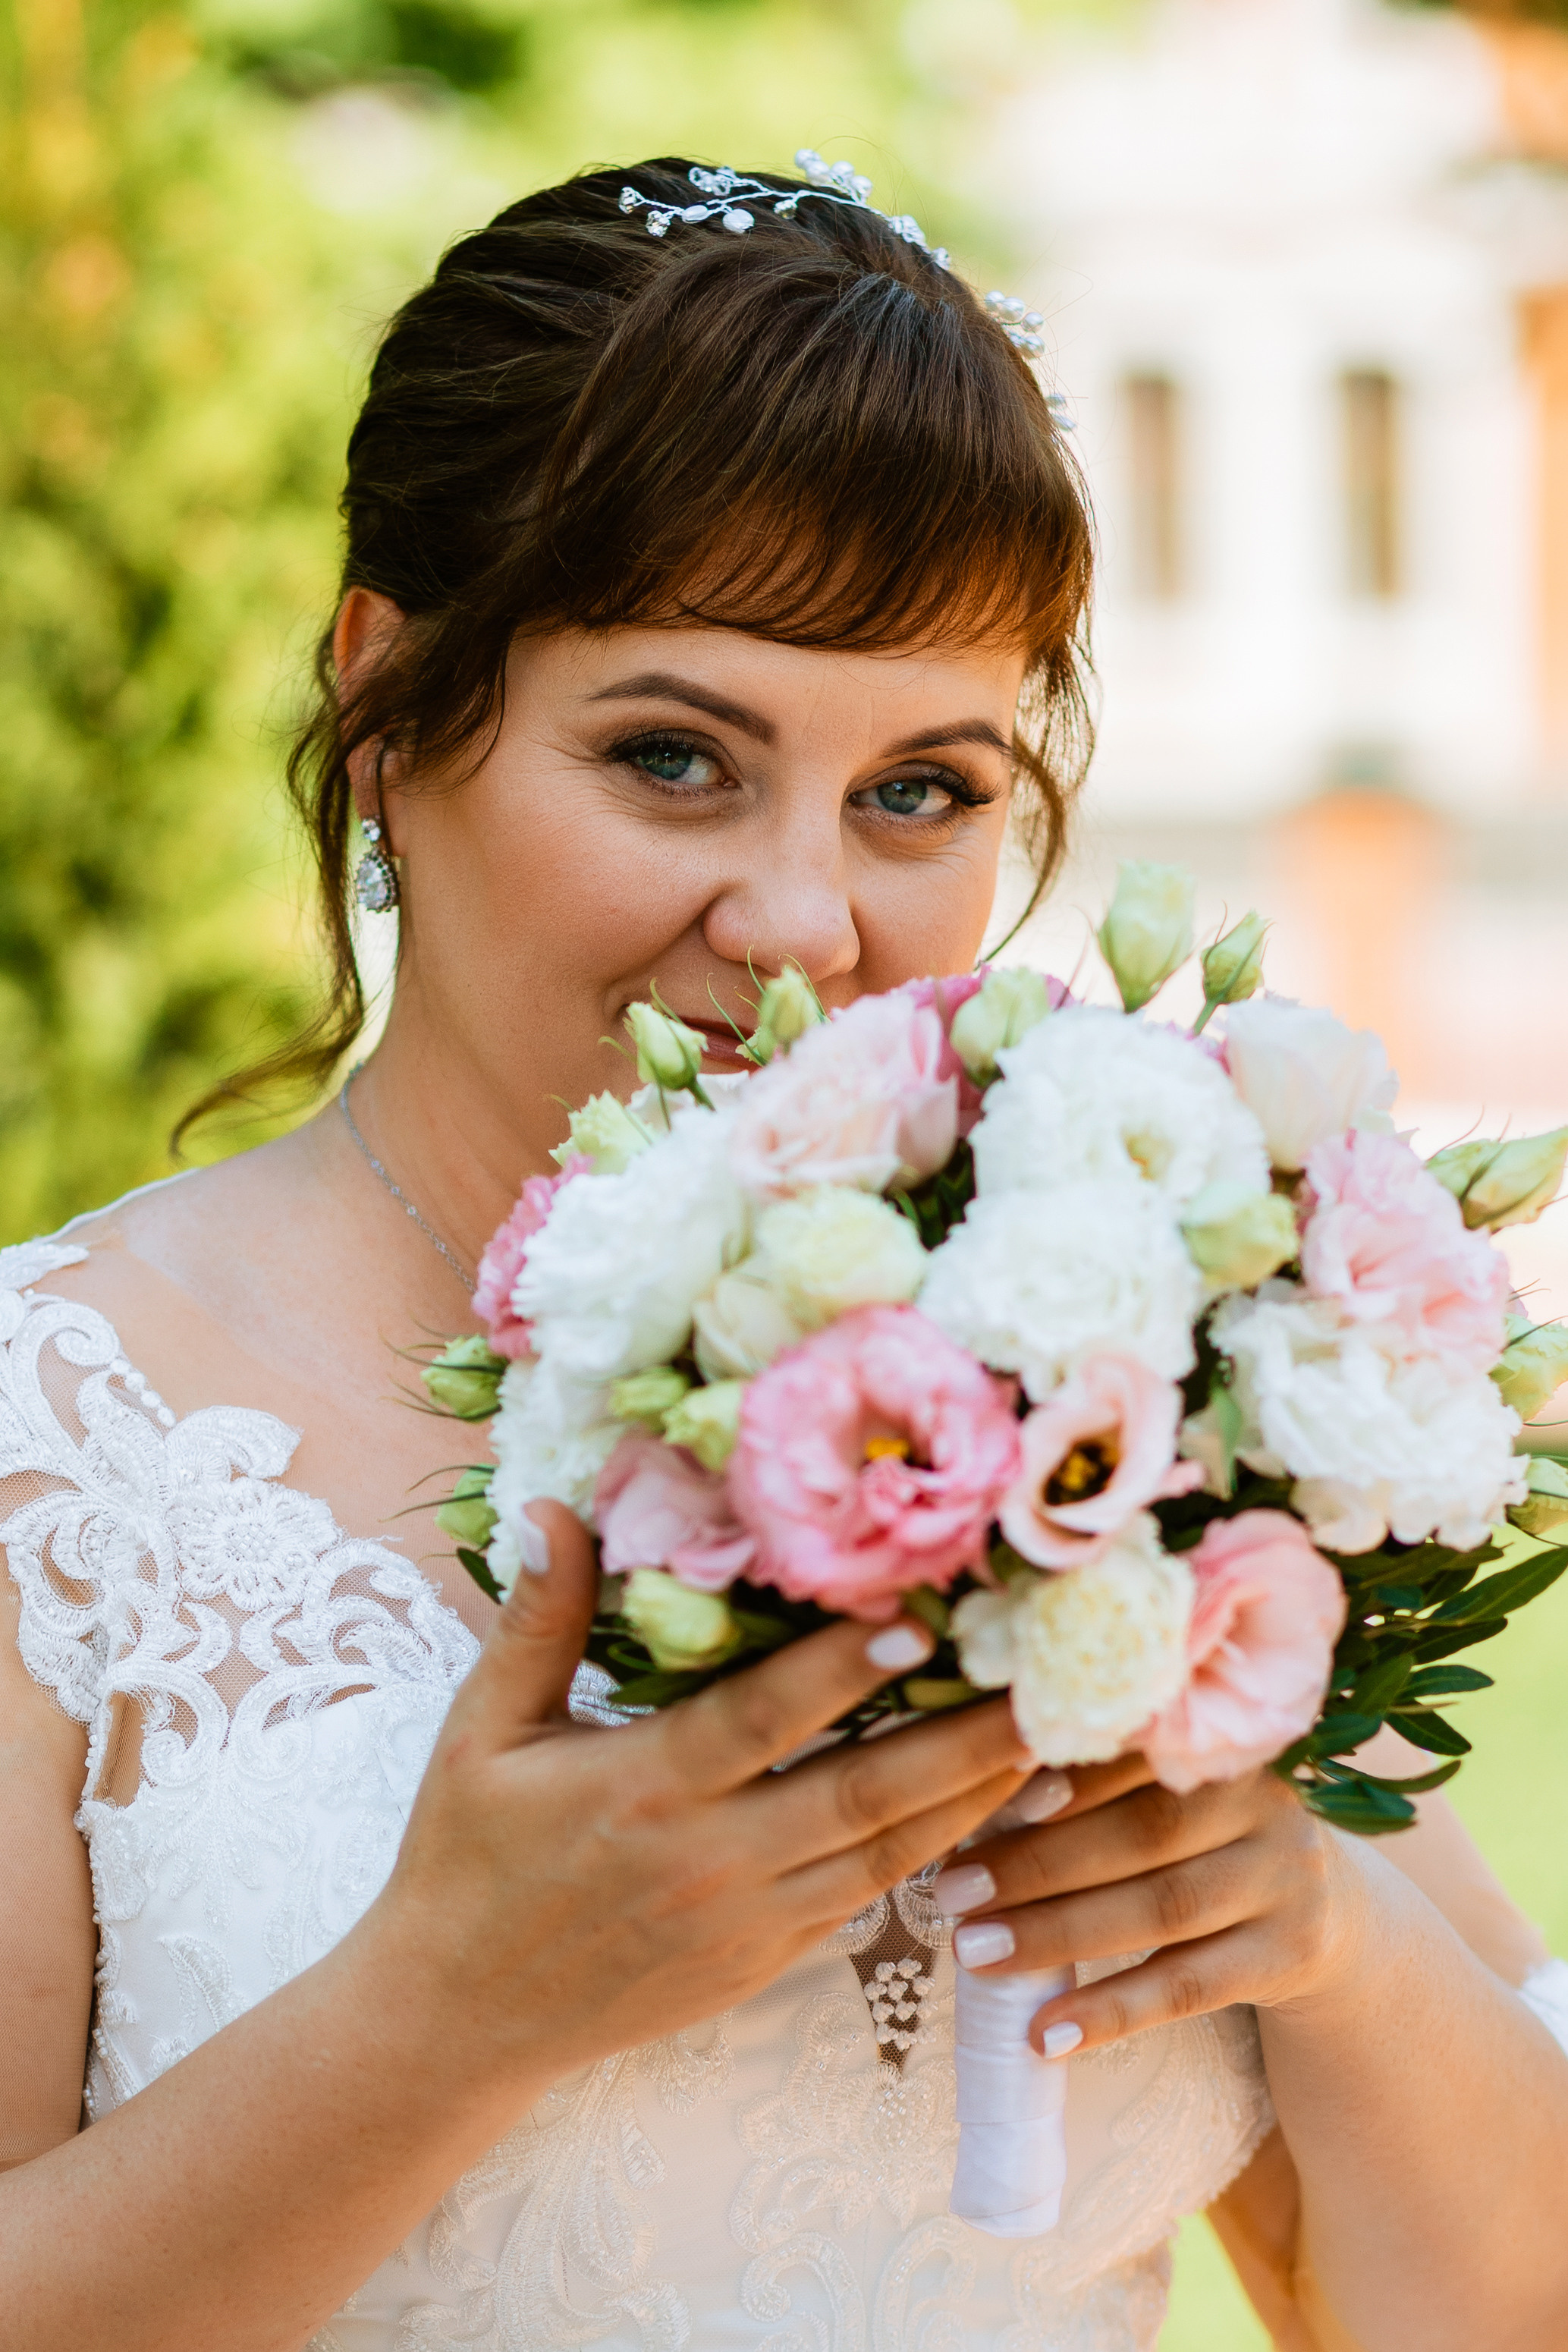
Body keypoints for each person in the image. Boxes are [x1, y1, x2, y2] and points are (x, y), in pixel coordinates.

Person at [1, 156, 1566, 2352]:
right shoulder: (52, 1448)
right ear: (385, 701)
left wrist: (1309, 1922)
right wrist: (442, 2013)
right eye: (672, 758)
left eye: (918, 789)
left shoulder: (1112, 1360)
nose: (803, 921)